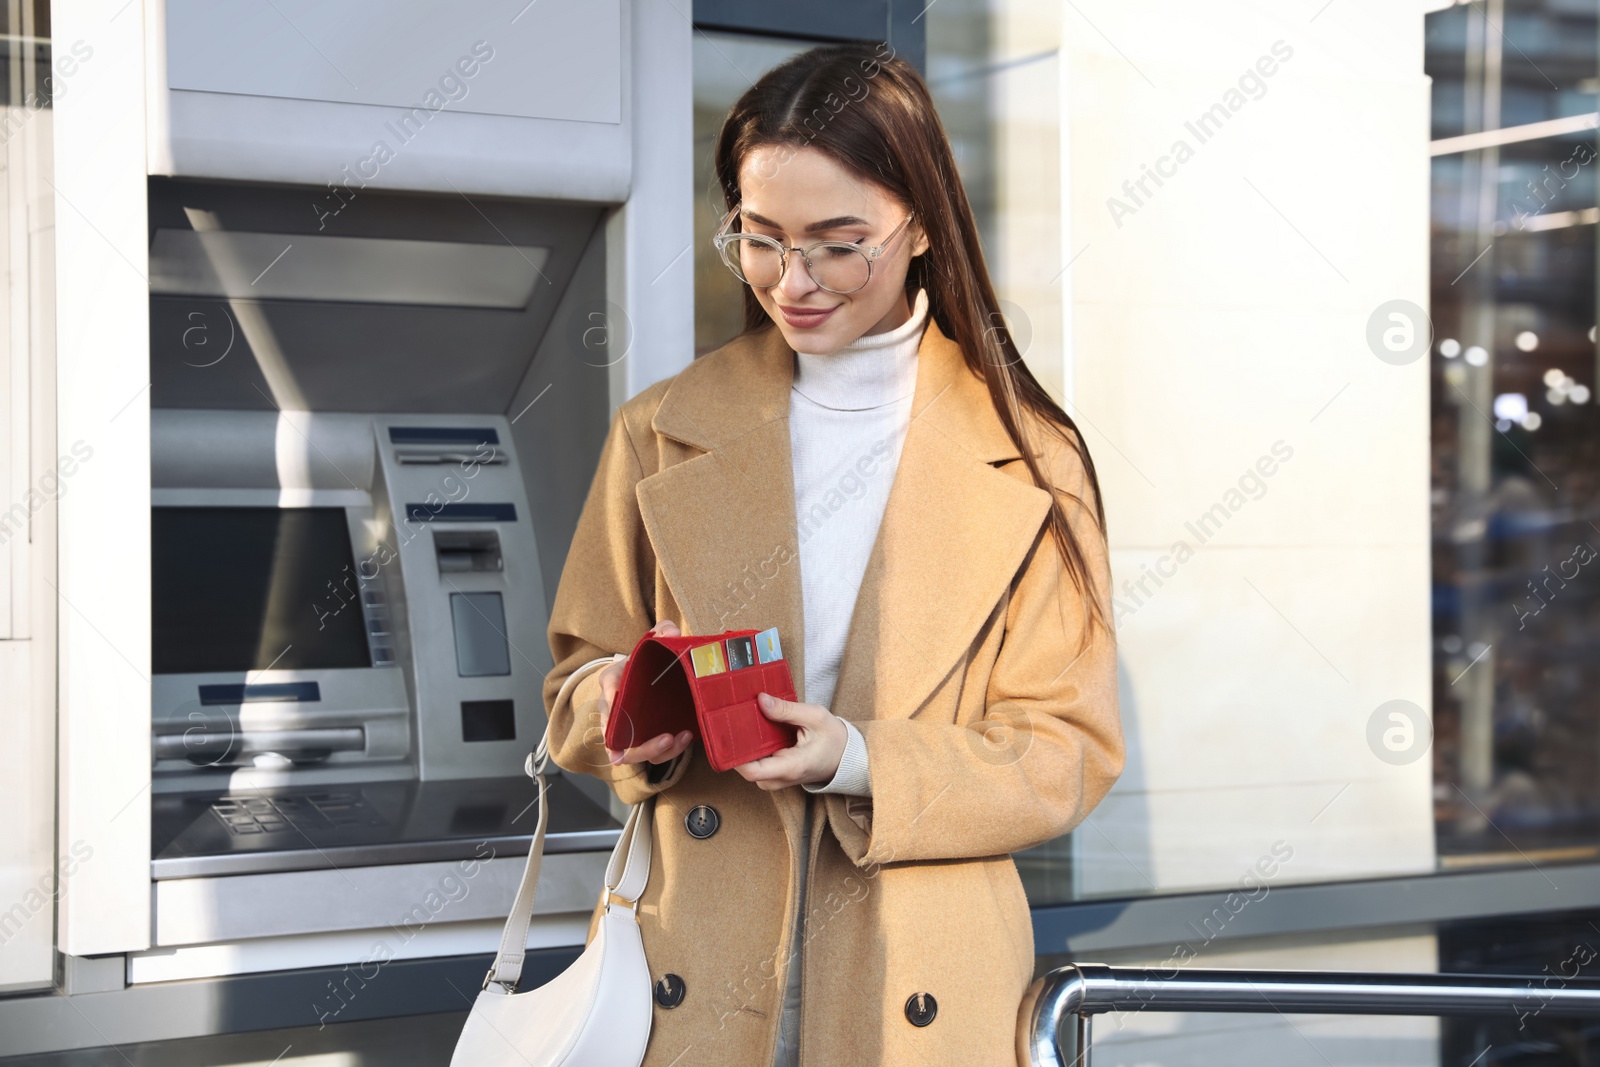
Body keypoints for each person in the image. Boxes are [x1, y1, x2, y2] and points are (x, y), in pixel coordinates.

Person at [543, 41, 1124, 1067]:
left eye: (836, 242)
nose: (793, 280)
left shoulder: (1031, 454)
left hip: (923, 973)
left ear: (921, 227)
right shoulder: (661, 428)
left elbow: (1064, 748)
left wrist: (854, 758)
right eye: (759, 239)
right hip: (691, 967)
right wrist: (631, 709)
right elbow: (573, 684)